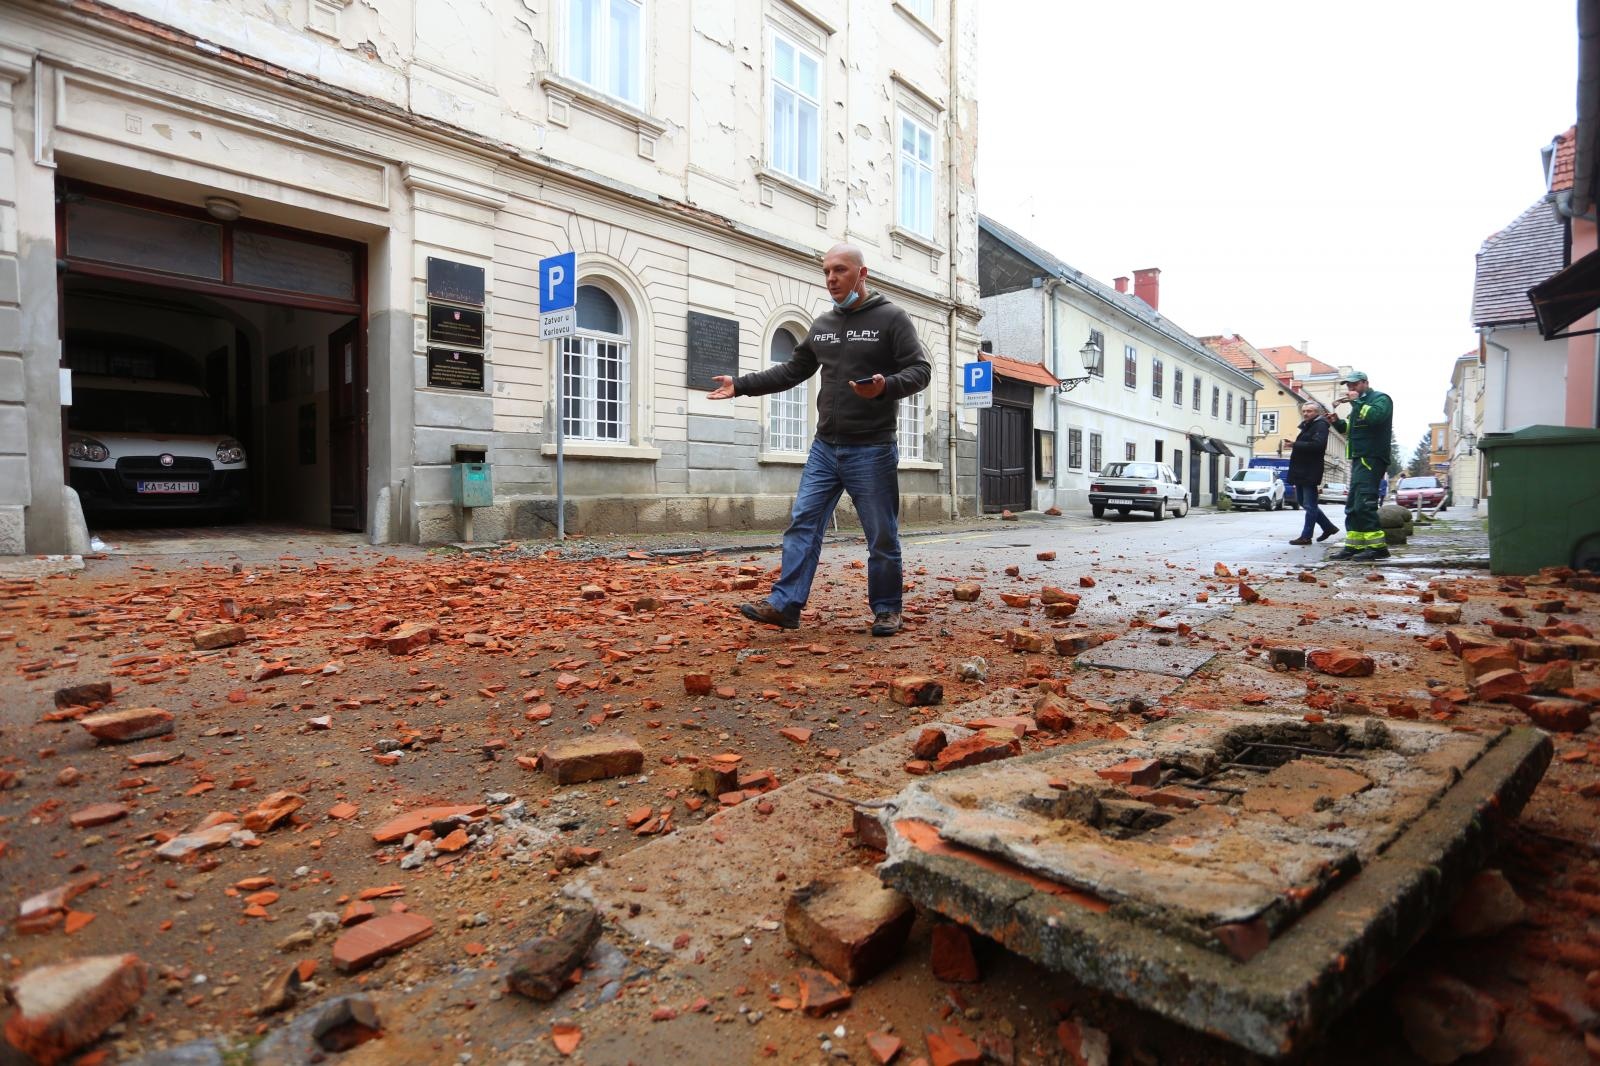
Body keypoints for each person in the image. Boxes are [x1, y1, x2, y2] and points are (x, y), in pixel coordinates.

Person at [709, 243, 931, 636]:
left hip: (873, 448)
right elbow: (792, 371)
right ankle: (786, 605)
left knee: (881, 534)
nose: (831, 278)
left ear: (862, 274)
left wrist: (885, 387)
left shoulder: (892, 318)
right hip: (825, 447)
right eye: (827, 271)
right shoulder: (823, 325)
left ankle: (886, 609)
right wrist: (741, 385)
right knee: (803, 524)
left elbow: (920, 370)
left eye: (840, 270)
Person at [1324, 371, 1394, 561]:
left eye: (1354, 385)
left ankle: (1378, 548)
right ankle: (1353, 546)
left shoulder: (1380, 399)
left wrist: (1356, 402)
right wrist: (1337, 422)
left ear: (1365, 383)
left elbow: (1375, 418)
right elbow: (1350, 429)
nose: (1351, 389)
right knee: (1353, 505)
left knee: (1365, 503)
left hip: (1371, 457)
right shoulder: (1359, 404)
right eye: (1349, 386)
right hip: (1359, 458)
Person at [1286, 402, 1339, 545]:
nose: (1305, 414)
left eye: (1309, 411)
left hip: (1310, 470)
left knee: (1310, 505)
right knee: (1304, 502)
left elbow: (1318, 445)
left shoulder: (1320, 425)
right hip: (1302, 470)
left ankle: (1306, 536)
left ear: (1317, 412)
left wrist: (1294, 444)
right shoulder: (1309, 425)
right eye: (1304, 411)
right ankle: (1328, 527)